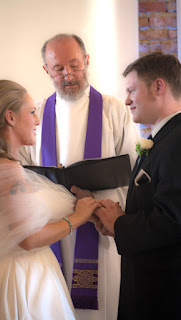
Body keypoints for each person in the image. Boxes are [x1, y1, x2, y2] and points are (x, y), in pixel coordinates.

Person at [19, 33, 140, 320]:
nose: (68, 75)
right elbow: (22, 170)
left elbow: (131, 170)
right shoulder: (35, 113)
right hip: (51, 229)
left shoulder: (114, 109)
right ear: (46, 70)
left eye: (74, 65)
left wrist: (104, 208)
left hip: (100, 229)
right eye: (58, 68)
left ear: (86, 61)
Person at [0, 79, 100, 320]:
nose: (37, 120)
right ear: (10, 117)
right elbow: (28, 239)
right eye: (31, 112)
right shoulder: (8, 170)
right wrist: (76, 218)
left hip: (31, 272)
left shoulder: (2, 166)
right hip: (23, 279)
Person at [95, 51, 181, 320]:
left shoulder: (177, 141)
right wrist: (115, 223)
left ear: (158, 86)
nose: (127, 100)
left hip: (165, 293)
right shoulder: (164, 138)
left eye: (132, 90)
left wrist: (121, 223)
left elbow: (173, 220)